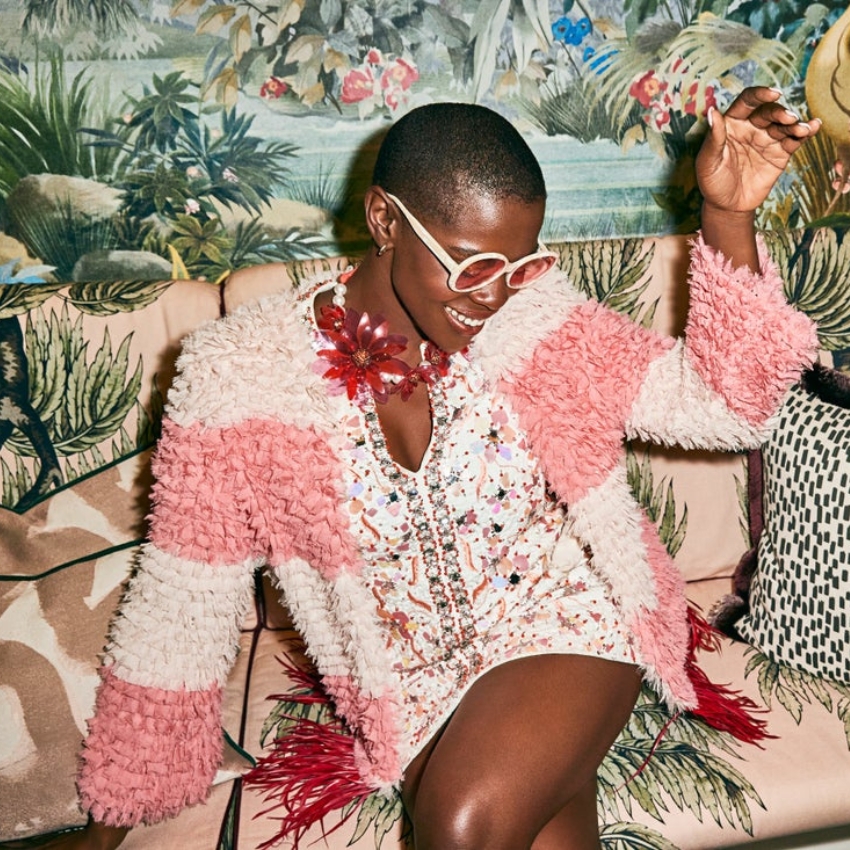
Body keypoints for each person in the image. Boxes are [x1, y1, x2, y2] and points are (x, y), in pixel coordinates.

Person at [47, 87, 819, 850]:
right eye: (472, 263)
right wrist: (112, 823)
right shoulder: (237, 377)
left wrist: (728, 214)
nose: (494, 296)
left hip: (565, 624)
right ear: (385, 219)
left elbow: (726, 410)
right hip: (407, 684)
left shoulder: (539, 320)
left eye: (518, 264)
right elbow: (184, 602)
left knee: (457, 824)